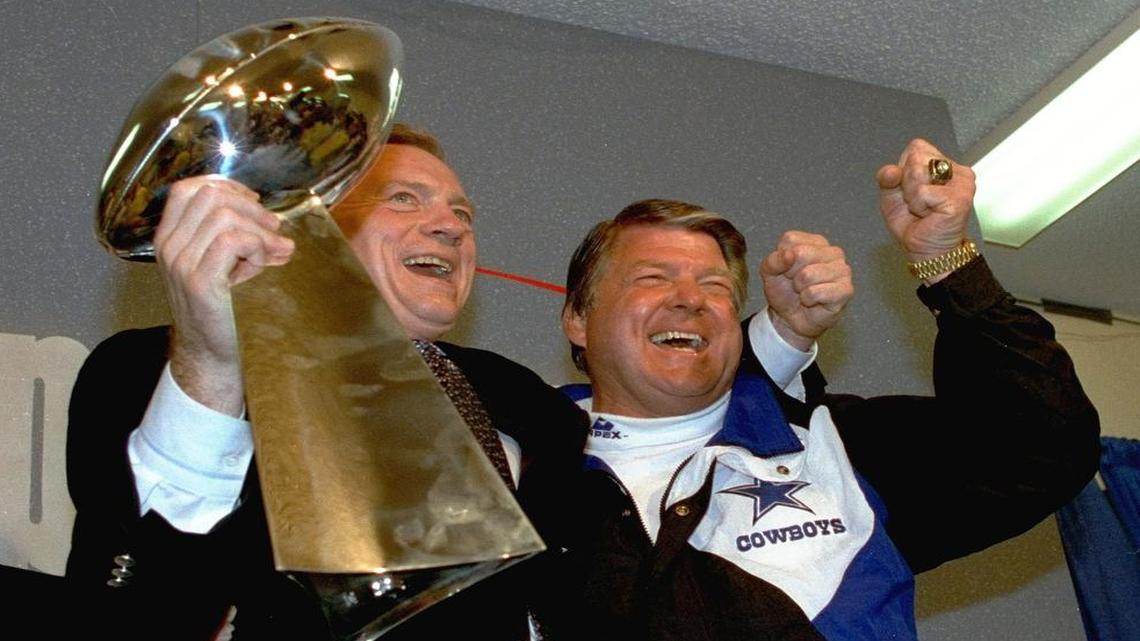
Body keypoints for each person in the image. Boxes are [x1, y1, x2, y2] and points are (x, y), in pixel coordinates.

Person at [64, 124, 815, 640]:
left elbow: (623, 566)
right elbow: (132, 611)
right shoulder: (161, 369)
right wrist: (213, 367)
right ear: (308, 227)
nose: (453, 226)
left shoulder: (529, 405)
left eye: (462, 211)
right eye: (405, 199)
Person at [551, 138, 1101, 640]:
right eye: (653, 277)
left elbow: (1041, 448)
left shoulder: (833, 450)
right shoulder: (521, 469)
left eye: (716, 286)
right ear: (578, 318)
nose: (690, 298)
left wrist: (946, 261)